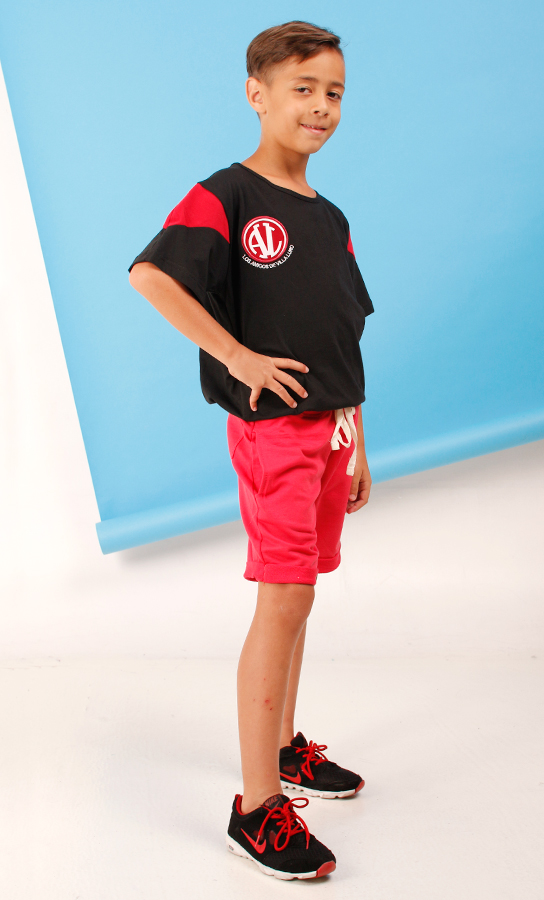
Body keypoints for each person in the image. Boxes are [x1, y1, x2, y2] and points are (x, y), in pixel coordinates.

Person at [128, 20, 374, 881]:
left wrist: (357, 440)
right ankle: (257, 806)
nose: (321, 106)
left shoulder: (331, 218)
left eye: (334, 92)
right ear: (256, 94)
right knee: (283, 597)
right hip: (275, 435)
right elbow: (151, 275)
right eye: (303, 88)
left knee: (302, 597)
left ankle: (283, 746)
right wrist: (235, 356)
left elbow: (343, 330)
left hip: (330, 432)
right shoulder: (227, 195)